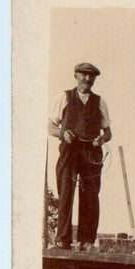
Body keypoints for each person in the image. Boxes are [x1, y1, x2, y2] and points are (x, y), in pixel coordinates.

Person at [48, 62, 112, 251]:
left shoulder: (100, 101)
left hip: (91, 152)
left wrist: (102, 139)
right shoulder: (64, 97)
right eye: (83, 75)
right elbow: (51, 126)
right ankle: (62, 240)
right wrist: (62, 134)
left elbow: (108, 132)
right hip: (70, 149)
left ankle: (87, 241)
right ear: (75, 76)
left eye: (91, 76)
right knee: (66, 192)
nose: (87, 79)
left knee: (91, 196)